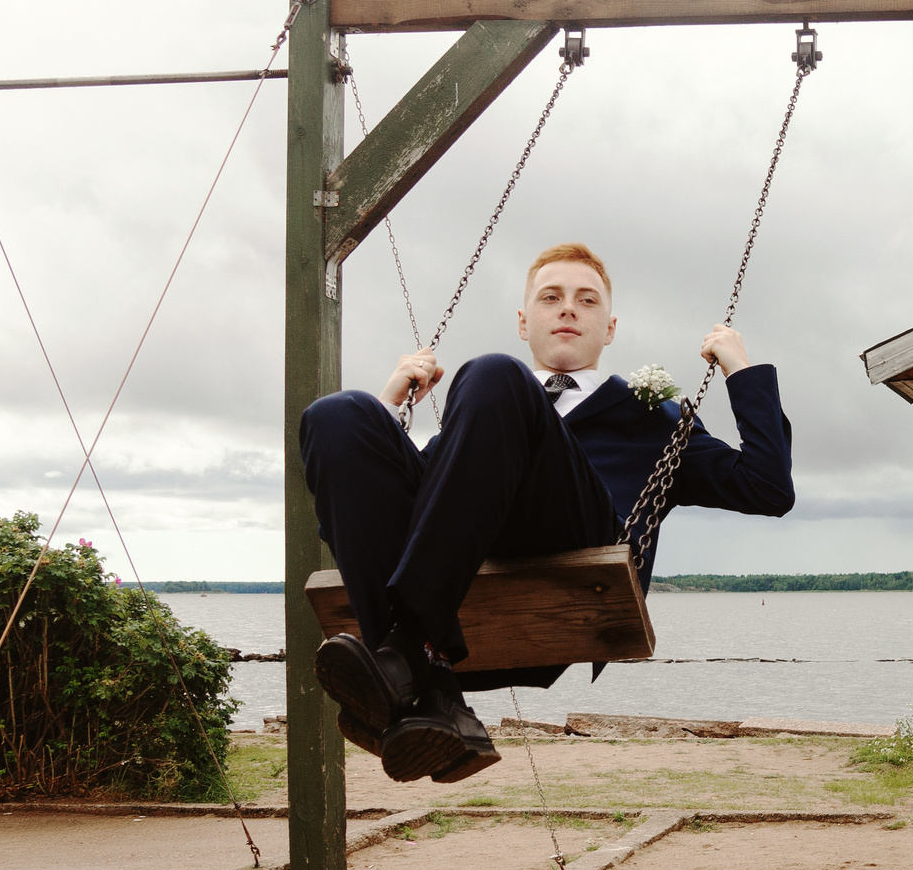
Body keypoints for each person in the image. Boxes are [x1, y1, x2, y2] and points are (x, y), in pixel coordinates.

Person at [297, 241, 794, 785]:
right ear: (523, 321)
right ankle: (430, 686)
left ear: (609, 328)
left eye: (587, 300)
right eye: (551, 297)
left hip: (577, 545)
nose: (568, 309)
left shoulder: (651, 419)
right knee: (337, 414)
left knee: (493, 374)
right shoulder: (480, 413)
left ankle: (409, 655)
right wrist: (389, 408)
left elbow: (767, 488)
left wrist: (739, 368)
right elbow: (363, 522)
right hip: (464, 561)